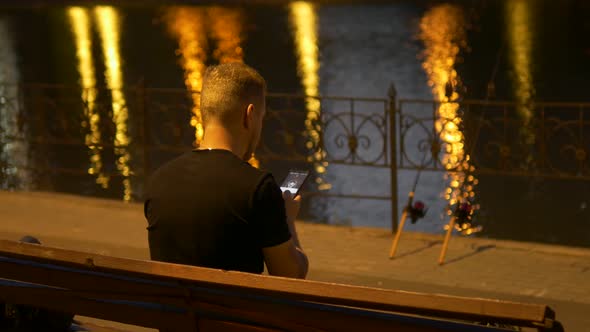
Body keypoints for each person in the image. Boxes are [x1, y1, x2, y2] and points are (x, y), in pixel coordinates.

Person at [144, 63, 308, 279]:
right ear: (249, 115)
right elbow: (290, 276)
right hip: (233, 313)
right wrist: (287, 219)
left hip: (173, 311)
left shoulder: (159, 181)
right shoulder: (257, 188)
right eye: (262, 117)